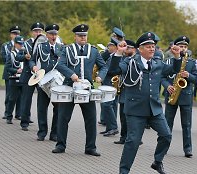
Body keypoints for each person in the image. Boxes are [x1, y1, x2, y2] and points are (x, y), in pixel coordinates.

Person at [109, 32, 182, 174]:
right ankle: (124, 171)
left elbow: (175, 69)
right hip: (135, 110)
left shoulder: (157, 63)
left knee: (166, 135)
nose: (152, 49)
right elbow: (113, 71)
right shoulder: (130, 62)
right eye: (148, 46)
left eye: (153, 46)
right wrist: (118, 53)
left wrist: (177, 56)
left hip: (154, 109)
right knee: (133, 142)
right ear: (139, 49)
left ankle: (157, 161)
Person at [52, 24, 107, 156]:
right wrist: (72, 75)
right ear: (75, 36)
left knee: (91, 119)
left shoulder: (93, 51)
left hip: (87, 88)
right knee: (63, 117)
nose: (83, 37)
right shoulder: (67, 49)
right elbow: (60, 65)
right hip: (69, 86)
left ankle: (90, 147)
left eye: (85, 35)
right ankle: (60, 145)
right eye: (80, 35)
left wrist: (100, 76)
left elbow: (104, 66)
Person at [162, 36, 197, 158]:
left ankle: (188, 149)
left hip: (186, 96)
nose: (183, 48)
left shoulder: (192, 62)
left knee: (187, 125)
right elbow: (163, 77)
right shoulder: (168, 61)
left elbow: (196, 79)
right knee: (167, 123)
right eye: (181, 46)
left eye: (185, 46)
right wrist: (167, 86)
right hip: (171, 94)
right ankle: (163, 147)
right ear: (175, 47)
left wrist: (189, 75)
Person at [30, 24, 63, 141]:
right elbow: (32, 60)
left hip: (57, 83)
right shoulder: (40, 47)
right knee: (42, 108)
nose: (54, 36)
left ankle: (54, 133)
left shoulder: (62, 47)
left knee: (58, 108)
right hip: (43, 82)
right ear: (47, 35)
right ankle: (42, 132)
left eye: (55, 34)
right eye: (51, 34)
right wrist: (34, 67)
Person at [17, 22, 45, 130]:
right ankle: (24, 122)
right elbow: (18, 57)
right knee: (26, 100)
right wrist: (25, 57)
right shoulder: (26, 43)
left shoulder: (45, 43)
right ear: (32, 32)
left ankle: (42, 125)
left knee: (42, 101)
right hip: (28, 75)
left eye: (40, 31)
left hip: (41, 75)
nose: (38, 33)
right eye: (36, 31)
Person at [114, 39, 137, 144]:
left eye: (129, 48)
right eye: (126, 48)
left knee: (133, 117)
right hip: (123, 90)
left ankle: (134, 137)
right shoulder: (123, 59)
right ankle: (123, 137)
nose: (127, 49)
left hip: (134, 92)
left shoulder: (137, 60)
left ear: (134, 49)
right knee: (123, 116)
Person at [1, 25, 21, 120]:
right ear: (11, 35)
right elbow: (4, 58)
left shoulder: (22, 45)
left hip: (20, 73)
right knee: (9, 95)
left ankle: (18, 113)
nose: (16, 35)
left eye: (17, 33)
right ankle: (7, 112)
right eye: (14, 33)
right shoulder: (6, 46)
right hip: (9, 73)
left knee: (20, 95)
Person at [5, 35, 24, 124]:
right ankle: (9, 116)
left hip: (23, 79)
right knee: (12, 98)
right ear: (15, 44)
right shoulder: (11, 54)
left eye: (22, 44)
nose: (21, 45)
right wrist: (17, 70)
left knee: (21, 98)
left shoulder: (24, 53)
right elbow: (8, 68)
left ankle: (19, 114)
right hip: (14, 78)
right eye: (19, 44)